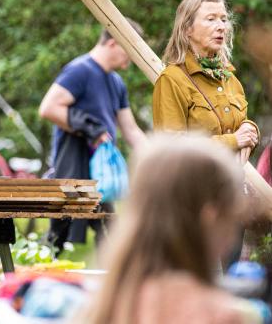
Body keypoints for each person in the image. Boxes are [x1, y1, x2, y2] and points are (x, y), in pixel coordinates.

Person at [70, 136, 262, 324]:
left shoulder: (99, 306)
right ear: (210, 218)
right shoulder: (222, 315)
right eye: (234, 218)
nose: (233, 236)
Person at [39, 21, 146, 251]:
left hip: (102, 176)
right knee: (57, 241)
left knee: (112, 240)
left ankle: (112, 285)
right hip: (73, 171)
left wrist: (159, 156)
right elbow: (49, 107)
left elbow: (131, 129)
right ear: (113, 42)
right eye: (129, 52)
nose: (129, 63)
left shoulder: (116, 82)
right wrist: (92, 129)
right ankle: (35, 282)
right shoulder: (80, 70)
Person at [153, 0, 259, 161]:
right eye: (211, 19)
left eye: (223, 19)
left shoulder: (229, 77)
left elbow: (240, 131)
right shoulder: (172, 79)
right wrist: (232, 141)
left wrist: (250, 129)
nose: (221, 26)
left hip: (230, 184)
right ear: (187, 29)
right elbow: (171, 148)